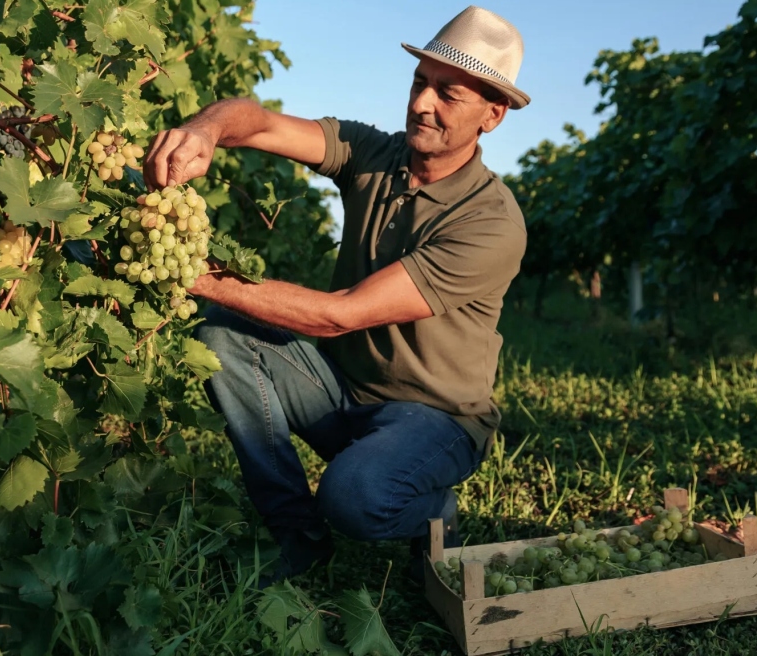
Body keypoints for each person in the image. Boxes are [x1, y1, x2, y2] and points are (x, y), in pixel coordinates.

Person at [142, 5, 531, 586]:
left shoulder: (491, 223)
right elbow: (263, 122)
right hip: (341, 391)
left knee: (355, 498)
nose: (422, 104)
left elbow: (339, 315)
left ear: (492, 116)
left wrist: (190, 274)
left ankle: (433, 511)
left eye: (448, 95)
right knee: (223, 332)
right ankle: (297, 536)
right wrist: (208, 130)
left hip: (436, 419)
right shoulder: (373, 154)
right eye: (420, 83)